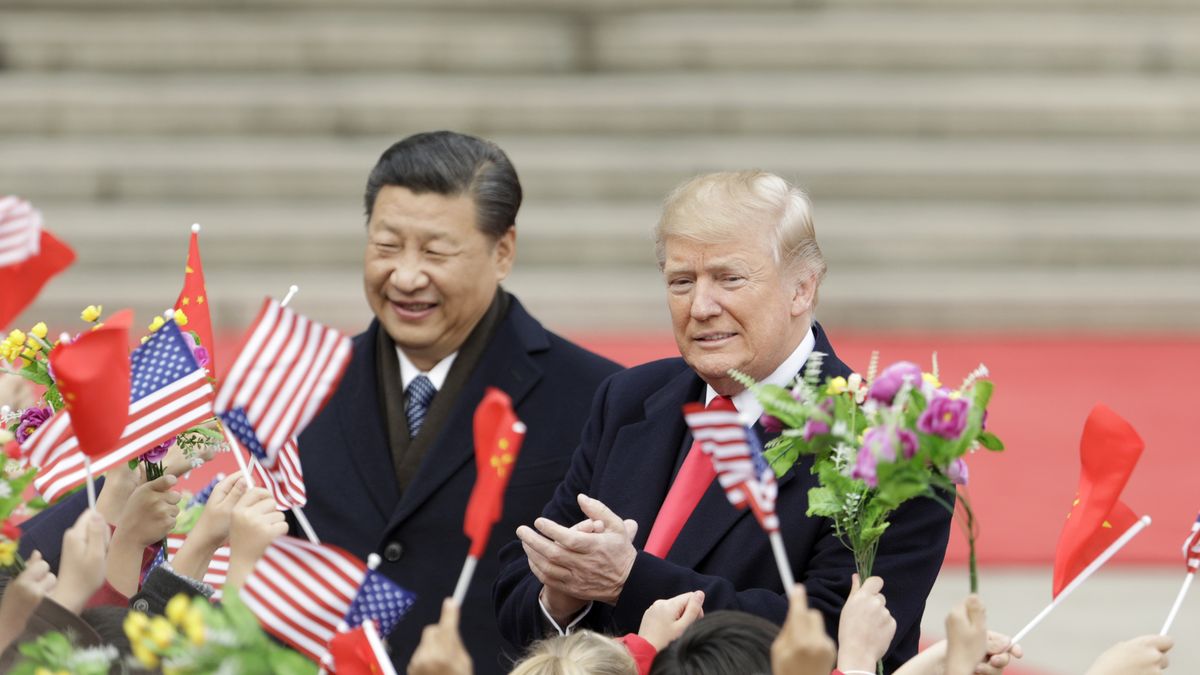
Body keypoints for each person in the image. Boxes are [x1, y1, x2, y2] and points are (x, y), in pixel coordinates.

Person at [493, 170, 951, 671]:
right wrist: (563, 597)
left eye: (730, 279)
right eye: (681, 282)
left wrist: (629, 579)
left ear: (803, 288)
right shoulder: (630, 398)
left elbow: (830, 638)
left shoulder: (887, 442)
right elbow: (518, 591)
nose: (701, 307)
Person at [296, 131, 621, 673]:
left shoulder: (596, 397)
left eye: (435, 251)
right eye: (386, 246)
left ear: (503, 251)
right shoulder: (302, 384)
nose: (404, 275)